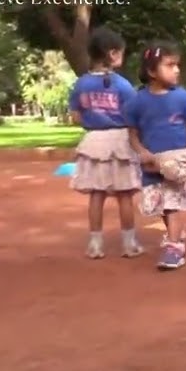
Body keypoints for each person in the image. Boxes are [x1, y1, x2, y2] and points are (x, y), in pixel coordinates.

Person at [125, 42, 186, 271]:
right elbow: (132, 135)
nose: (177, 70)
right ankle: (175, 233)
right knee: (162, 205)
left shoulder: (183, 97)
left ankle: (174, 248)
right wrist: (143, 153)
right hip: (152, 165)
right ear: (151, 72)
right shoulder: (137, 102)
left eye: (177, 65)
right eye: (170, 65)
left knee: (171, 204)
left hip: (178, 163)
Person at [67, 26, 143, 259]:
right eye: (120, 52)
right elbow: (134, 115)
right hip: (120, 140)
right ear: (112, 54)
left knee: (97, 195)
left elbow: (76, 116)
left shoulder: (81, 84)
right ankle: (129, 244)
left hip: (93, 141)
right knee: (125, 195)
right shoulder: (123, 85)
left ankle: (95, 245)